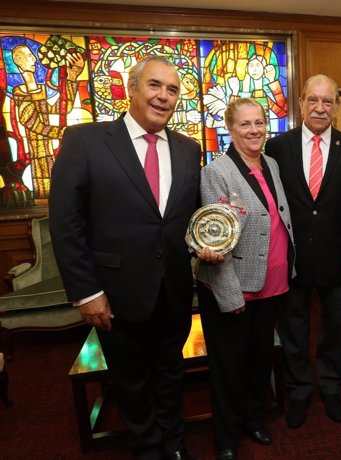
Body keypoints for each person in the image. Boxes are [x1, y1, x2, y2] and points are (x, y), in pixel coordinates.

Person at [49, 56, 201, 460]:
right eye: (154, 85)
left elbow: (185, 218)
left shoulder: (189, 149)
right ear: (131, 88)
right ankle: (148, 449)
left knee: (171, 373)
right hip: (116, 294)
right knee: (131, 382)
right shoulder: (85, 140)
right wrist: (86, 292)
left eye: (172, 90)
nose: (163, 96)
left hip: (173, 290)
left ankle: (174, 445)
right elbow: (66, 224)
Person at [195, 97, 295, 460]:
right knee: (228, 366)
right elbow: (215, 240)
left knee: (258, 360)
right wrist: (229, 296)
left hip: (272, 283)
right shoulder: (215, 172)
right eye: (245, 124)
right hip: (233, 287)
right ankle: (225, 436)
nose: (254, 130)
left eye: (259, 123)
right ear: (231, 129)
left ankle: (253, 418)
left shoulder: (271, 164)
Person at [264, 74, 341, 428]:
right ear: (301, 103)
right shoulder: (277, 148)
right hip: (290, 260)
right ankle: (300, 391)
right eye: (313, 100)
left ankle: (332, 387)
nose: (320, 108)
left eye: (328, 101)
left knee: (334, 329)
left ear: (337, 107)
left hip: (338, 259)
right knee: (293, 330)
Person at [12, 43, 84, 199]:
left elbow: (63, 108)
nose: (35, 60)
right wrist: (63, 132)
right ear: (18, 60)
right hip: (37, 153)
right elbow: (32, 123)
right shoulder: (19, 91)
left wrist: (72, 76)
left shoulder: (41, 89)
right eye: (30, 56)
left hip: (51, 150)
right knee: (45, 192)